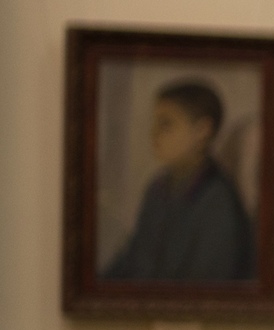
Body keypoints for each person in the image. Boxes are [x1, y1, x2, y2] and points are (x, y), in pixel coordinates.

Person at [100, 77, 257, 284]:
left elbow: (208, 284)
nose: (154, 133)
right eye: (155, 123)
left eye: (166, 124)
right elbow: (133, 258)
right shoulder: (157, 189)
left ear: (202, 132)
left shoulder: (219, 203)